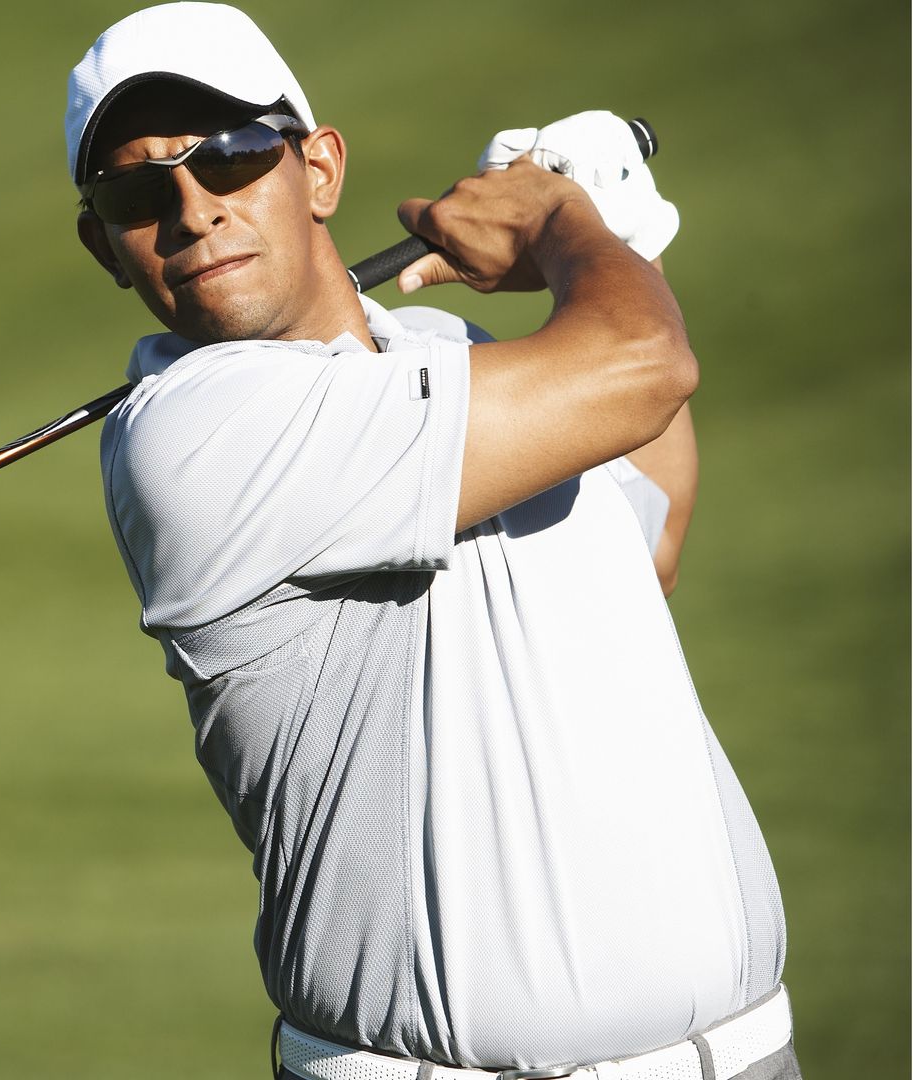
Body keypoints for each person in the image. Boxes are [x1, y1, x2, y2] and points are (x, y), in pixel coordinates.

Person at [66, 5, 797, 1078]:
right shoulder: (195, 437)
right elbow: (644, 367)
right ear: (104, 243)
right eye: (138, 190)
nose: (193, 211)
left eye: (228, 158)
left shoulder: (450, 353)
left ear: (318, 171)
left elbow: (651, 534)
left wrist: (616, 241)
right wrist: (562, 223)